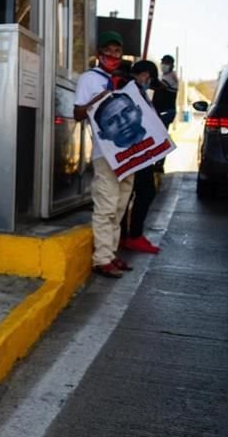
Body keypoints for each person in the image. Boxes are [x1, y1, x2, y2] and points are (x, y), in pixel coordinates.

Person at [73, 31, 135, 278]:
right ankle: (101, 259)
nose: (113, 55)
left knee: (120, 207)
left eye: (117, 51)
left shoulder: (124, 79)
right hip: (105, 152)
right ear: (100, 53)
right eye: (108, 51)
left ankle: (110, 253)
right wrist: (104, 95)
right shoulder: (89, 78)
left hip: (129, 152)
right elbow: (78, 114)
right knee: (106, 205)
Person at [121, 60, 161, 254]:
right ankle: (133, 236)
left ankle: (127, 235)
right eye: (149, 79)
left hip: (137, 152)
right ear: (145, 75)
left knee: (133, 193)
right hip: (135, 152)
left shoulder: (137, 90)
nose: (149, 82)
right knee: (144, 192)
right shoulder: (132, 91)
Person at [151, 54, 179, 129]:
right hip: (164, 111)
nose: (164, 65)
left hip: (166, 111)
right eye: (163, 63)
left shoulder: (171, 77)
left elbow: (158, 86)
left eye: (167, 63)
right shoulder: (165, 75)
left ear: (171, 65)